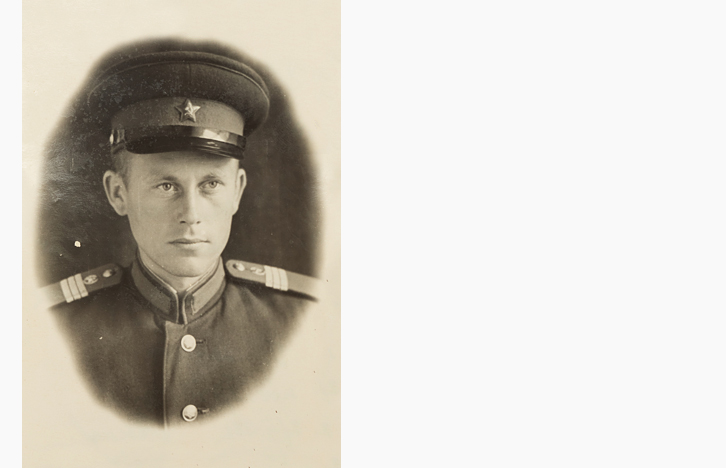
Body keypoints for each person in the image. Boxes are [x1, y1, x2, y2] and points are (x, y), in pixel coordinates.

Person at [40, 43, 319, 427]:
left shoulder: (303, 319)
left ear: (237, 191)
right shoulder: (52, 329)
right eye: (166, 186)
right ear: (118, 193)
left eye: (210, 184)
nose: (191, 215)